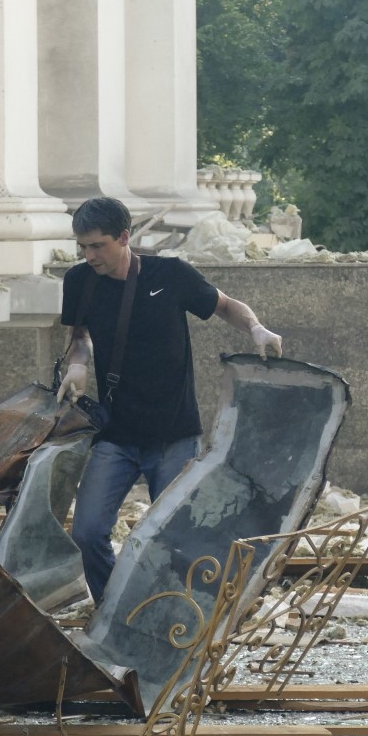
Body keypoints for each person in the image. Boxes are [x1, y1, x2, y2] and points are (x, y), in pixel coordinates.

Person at [56, 197, 283, 605]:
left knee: (175, 540)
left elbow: (227, 306)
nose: (89, 256)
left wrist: (257, 330)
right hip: (115, 434)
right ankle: (114, 614)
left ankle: (168, 619)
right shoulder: (79, 282)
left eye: (97, 246)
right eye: (82, 247)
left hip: (174, 434)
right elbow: (79, 338)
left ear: (124, 238)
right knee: (88, 532)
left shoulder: (171, 274)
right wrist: (77, 364)